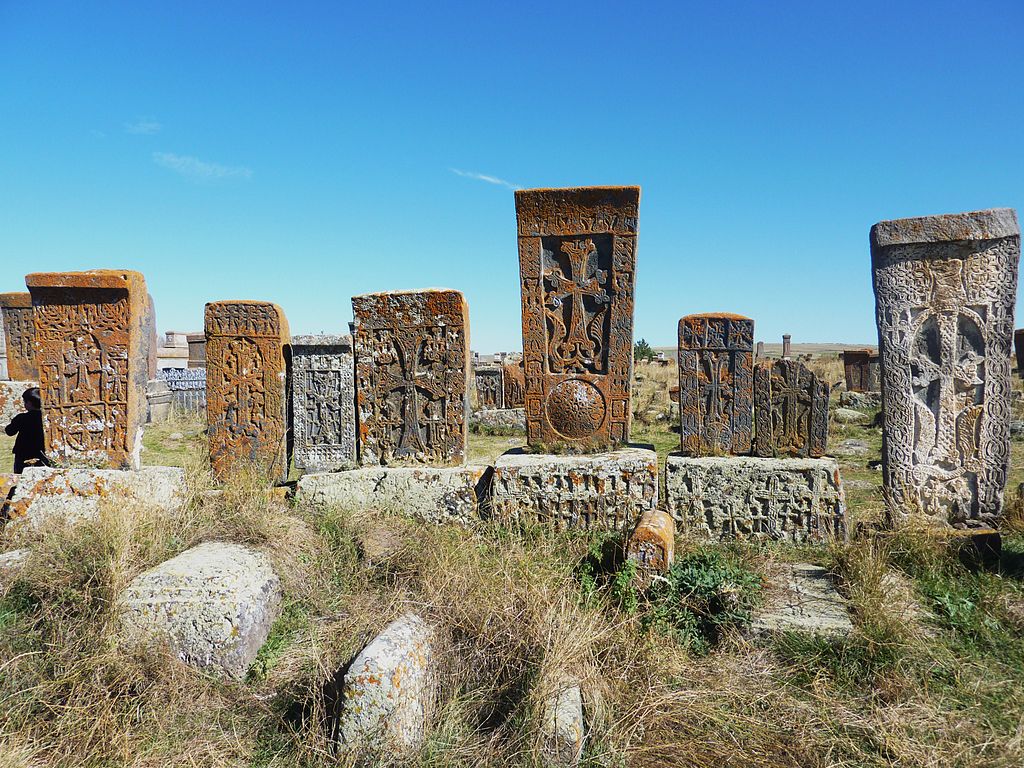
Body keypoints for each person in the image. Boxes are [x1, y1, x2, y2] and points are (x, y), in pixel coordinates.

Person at [5, 387, 50, 474]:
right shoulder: (47, 418)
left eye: (25, 402)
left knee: (20, 476)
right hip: (42, 452)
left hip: (23, 454)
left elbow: (9, 431)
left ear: (29, 403)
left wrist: (14, 421)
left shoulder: (22, 418)